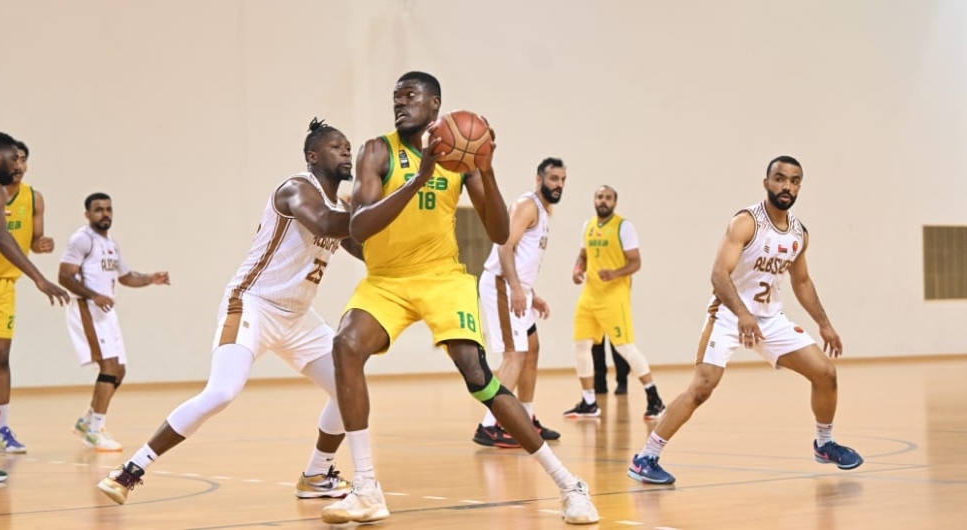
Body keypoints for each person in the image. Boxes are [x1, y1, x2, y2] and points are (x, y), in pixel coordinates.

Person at [322, 71, 598, 525]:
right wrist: (420, 176)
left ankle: (570, 484)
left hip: (441, 276)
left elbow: (499, 232)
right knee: (345, 344)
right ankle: (367, 488)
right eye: (395, 96)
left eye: (410, 96)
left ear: (435, 105)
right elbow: (360, 226)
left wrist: (485, 169)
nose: (400, 102)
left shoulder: (459, 157)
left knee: (477, 375)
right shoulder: (378, 150)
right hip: (386, 278)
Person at [97, 118, 361, 505]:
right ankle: (129, 470)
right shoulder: (296, 189)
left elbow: (360, 245)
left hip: (298, 316)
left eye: (348, 146)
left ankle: (316, 475)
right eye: (337, 146)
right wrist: (375, 205)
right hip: (254, 302)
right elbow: (328, 223)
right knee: (221, 392)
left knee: (348, 388)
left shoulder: (342, 206)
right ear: (312, 156)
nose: (346, 151)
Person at [627, 156, 864, 485]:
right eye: (780, 179)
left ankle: (824, 445)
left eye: (794, 181)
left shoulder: (798, 233)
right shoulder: (746, 222)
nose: (786, 186)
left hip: (769, 319)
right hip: (728, 314)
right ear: (766, 182)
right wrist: (742, 314)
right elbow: (718, 275)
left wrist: (824, 323)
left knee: (825, 373)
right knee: (702, 387)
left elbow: (802, 282)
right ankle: (646, 457)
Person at [0, 132, 69, 483]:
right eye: (14, 158)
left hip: (0, 286)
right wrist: (39, 278)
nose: (20, 166)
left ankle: (0, 431)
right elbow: (1, 235)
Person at [58, 192, 170, 452]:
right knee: (108, 366)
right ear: (87, 214)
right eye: (98, 209)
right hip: (87, 307)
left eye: (108, 209)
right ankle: (95, 431)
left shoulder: (111, 244)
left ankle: (86, 421)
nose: (105, 214)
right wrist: (93, 295)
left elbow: (126, 276)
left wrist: (151, 278)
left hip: (106, 311)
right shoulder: (81, 239)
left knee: (119, 370)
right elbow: (64, 276)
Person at [472, 157, 565, 448]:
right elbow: (504, 246)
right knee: (514, 355)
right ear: (539, 180)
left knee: (532, 348)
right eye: (553, 179)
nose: (558, 185)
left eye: (562, 179)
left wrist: (530, 293)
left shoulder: (545, 212)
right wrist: (515, 287)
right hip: (501, 284)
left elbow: (524, 258)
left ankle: (524, 417)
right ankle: (489, 426)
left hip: (517, 288)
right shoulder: (527, 205)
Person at [566, 186, 665, 420]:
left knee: (624, 348)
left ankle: (655, 398)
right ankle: (589, 402)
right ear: (594, 200)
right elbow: (583, 255)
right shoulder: (587, 226)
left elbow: (635, 263)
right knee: (580, 346)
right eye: (600, 196)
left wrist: (615, 273)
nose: (603, 201)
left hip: (614, 296)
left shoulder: (624, 227)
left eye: (608, 198)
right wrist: (577, 268)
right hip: (589, 294)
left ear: (614, 203)